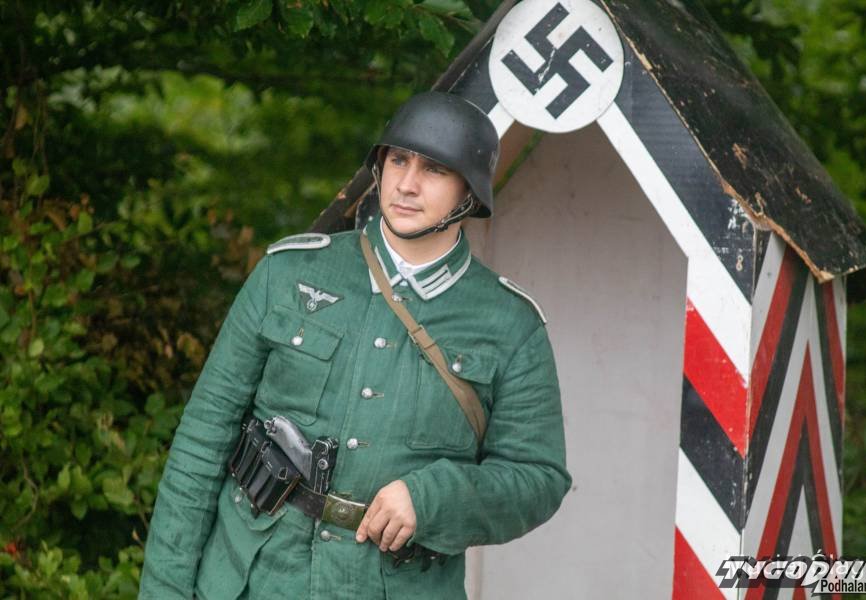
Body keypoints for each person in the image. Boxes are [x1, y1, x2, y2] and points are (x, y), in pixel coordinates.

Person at [139, 91, 570, 599]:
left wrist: (433, 499)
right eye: (398, 161)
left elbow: (537, 478)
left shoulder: (511, 325)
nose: (406, 184)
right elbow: (201, 440)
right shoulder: (287, 274)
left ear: (469, 194)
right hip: (257, 578)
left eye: (434, 169)